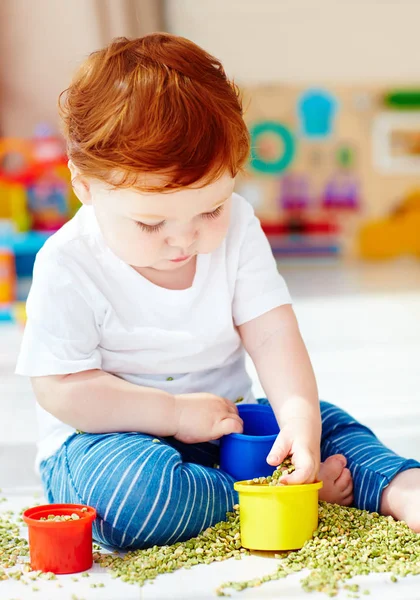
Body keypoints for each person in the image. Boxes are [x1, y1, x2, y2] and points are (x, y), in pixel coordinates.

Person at [16, 33, 420, 550]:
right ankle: (256, 495)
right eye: (150, 223)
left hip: (227, 425)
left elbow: (272, 333)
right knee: (134, 496)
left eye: (210, 210)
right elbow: (62, 391)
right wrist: (173, 415)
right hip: (105, 442)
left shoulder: (240, 228)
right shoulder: (69, 263)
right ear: (85, 186)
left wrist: (297, 417)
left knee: (321, 422)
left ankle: (398, 485)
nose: (185, 239)